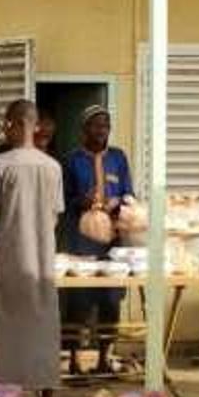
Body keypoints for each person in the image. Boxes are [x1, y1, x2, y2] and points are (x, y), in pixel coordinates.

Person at [0, 99, 65, 397]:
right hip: (41, 259)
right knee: (44, 326)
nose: (4, 129)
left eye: (6, 123)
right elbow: (55, 215)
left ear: (14, 124)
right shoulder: (53, 167)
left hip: (9, 257)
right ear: (35, 126)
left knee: (5, 330)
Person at [63, 105, 133, 375]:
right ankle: (74, 359)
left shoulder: (118, 158)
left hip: (113, 243)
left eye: (106, 125)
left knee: (110, 300)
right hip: (82, 241)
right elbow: (63, 200)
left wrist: (120, 203)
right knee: (79, 301)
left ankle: (104, 358)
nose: (102, 130)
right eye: (96, 125)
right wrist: (82, 201)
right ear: (84, 129)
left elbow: (129, 193)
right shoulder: (72, 160)